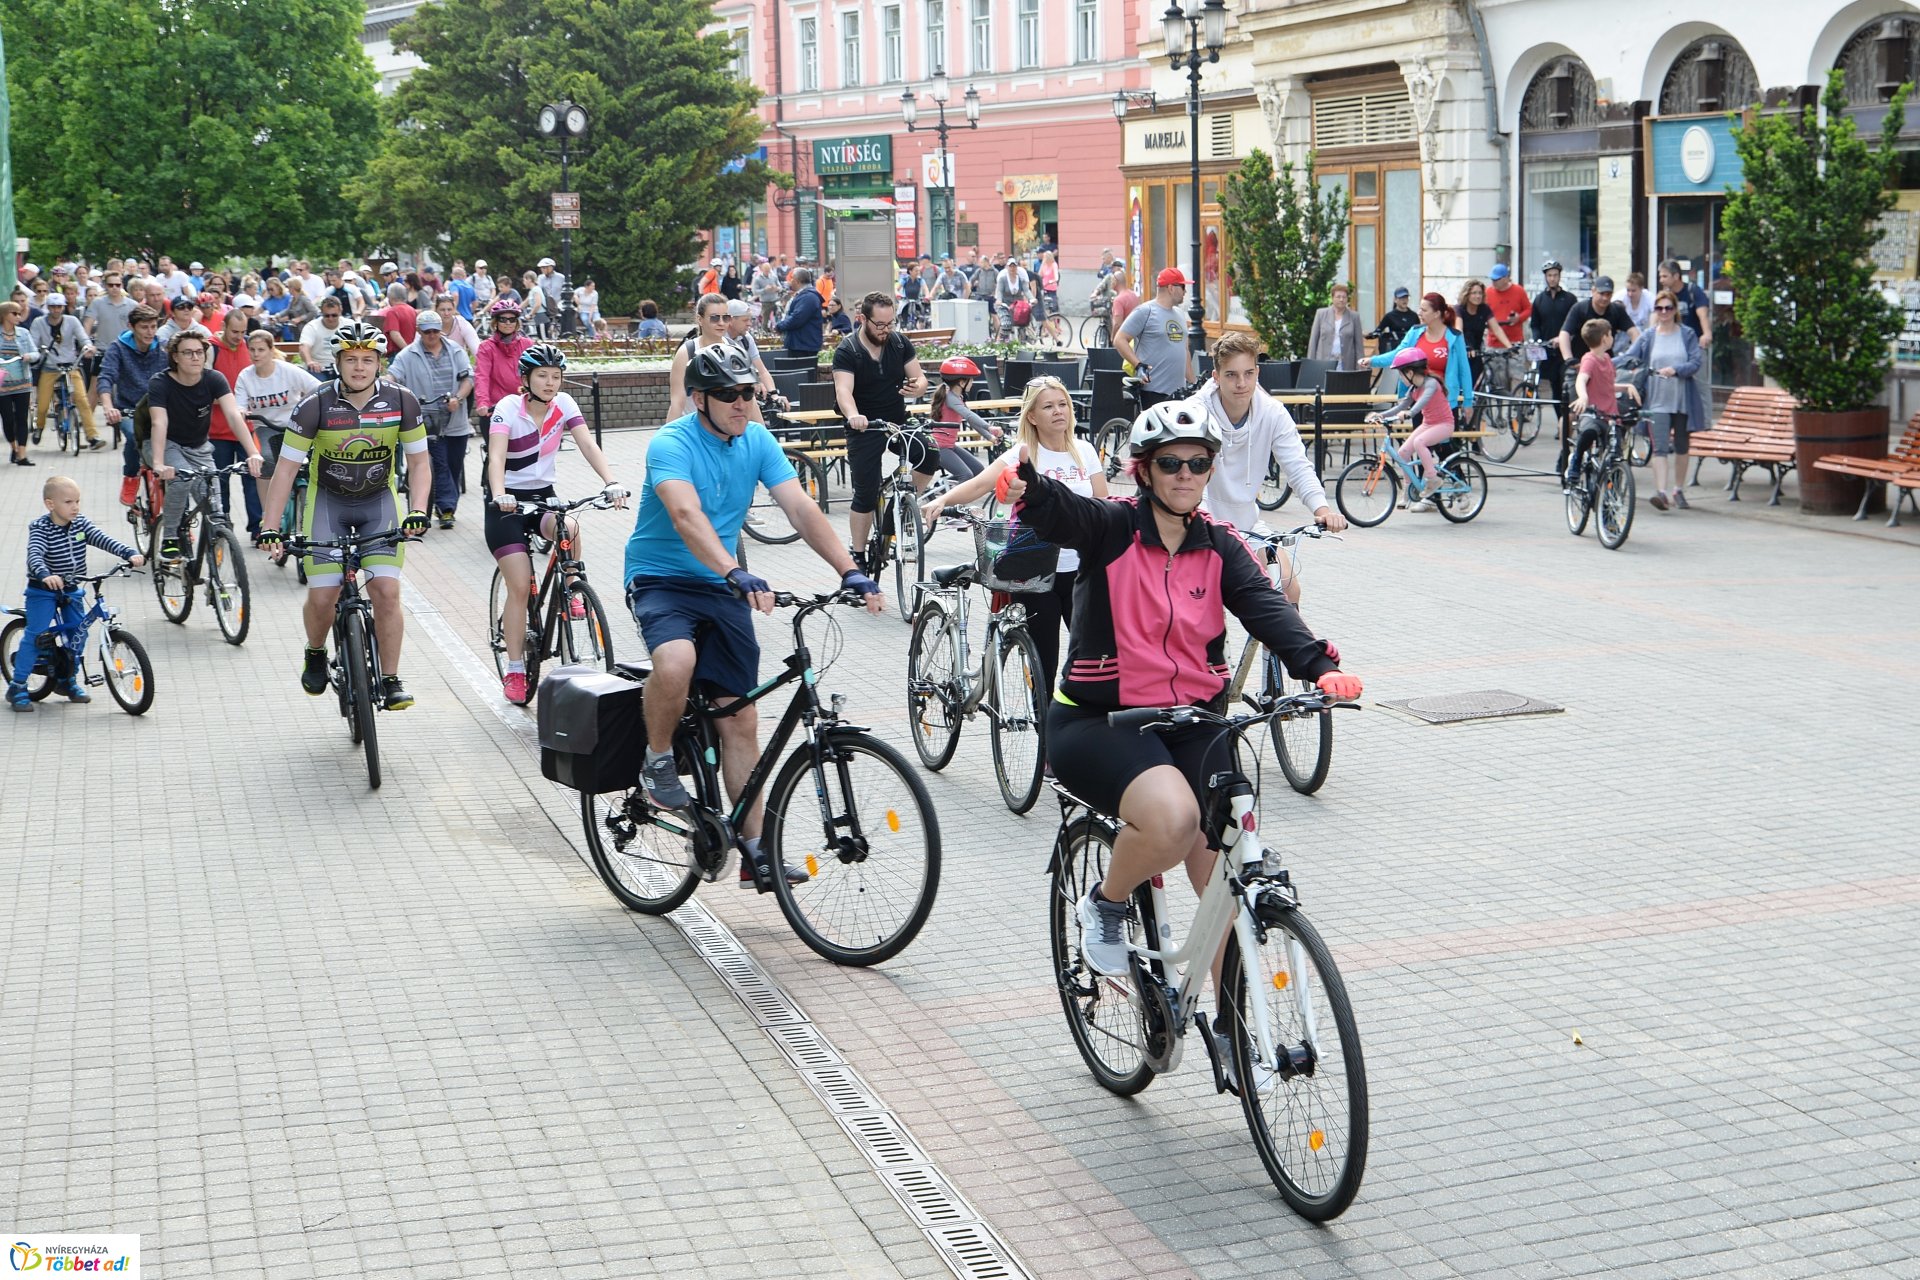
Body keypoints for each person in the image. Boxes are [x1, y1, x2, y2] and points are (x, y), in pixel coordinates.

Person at [999, 402, 1358, 986]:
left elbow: (1265, 606)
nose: (1185, 474)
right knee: (1175, 820)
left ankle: (1237, 1032)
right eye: (1170, 463)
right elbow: (1066, 512)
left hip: (1194, 720)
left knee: (1227, 876)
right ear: (1144, 470)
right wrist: (1032, 489)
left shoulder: (1219, 544)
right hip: (1100, 721)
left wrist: (1316, 665)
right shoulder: (1111, 527)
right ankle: (1108, 904)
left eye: (1198, 463)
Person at [622, 342, 884, 886]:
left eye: (747, 392)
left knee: (739, 718)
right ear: (700, 398)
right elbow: (685, 514)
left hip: (721, 582)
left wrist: (849, 569)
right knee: (675, 662)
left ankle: (755, 852)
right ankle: (658, 757)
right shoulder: (671, 443)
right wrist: (734, 571)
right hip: (662, 579)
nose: (742, 403)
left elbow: (801, 507)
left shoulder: (757, 439)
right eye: (728, 394)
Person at [257, 321, 431, 710]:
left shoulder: (402, 401)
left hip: (378, 504)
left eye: (367, 360)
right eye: (350, 359)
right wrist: (270, 528)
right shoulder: (316, 404)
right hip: (328, 506)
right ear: (336, 362)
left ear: (379, 363)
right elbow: (284, 470)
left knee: (386, 591)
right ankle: (316, 650)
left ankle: (390, 679)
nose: (359, 368)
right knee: (323, 594)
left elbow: (420, 463)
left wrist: (418, 509)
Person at [920, 375, 1102, 695]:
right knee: (1043, 663)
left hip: (1081, 569)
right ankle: (1045, 734)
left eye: (1063, 404)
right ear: (1032, 416)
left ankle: (1078, 725)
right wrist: (942, 499)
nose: (1059, 411)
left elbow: (1104, 504)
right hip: (1034, 570)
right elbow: (979, 485)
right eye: (1048, 406)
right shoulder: (1022, 454)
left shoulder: (1085, 451)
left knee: (1091, 658)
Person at [484, 344, 626, 704]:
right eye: (542, 376)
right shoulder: (506, 409)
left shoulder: (564, 405)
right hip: (508, 503)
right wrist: (500, 493)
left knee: (572, 529)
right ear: (526, 379)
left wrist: (611, 482)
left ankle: (573, 587)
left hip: (543, 495)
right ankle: (515, 668)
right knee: (519, 586)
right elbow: (497, 456)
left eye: (556, 377)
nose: (550, 383)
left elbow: (587, 445)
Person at [1193, 331, 1344, 560]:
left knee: (1286, 581)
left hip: (1248, 526)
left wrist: (1322, 510)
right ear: (1216, 376)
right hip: (1202, 525)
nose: (1241, 383)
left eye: (1248, 373)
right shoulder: (1195, 412)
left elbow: (1298, 467)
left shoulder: (1272, 413)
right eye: (1231, 375)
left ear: (1258, 373)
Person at [8, 476, 146, 711]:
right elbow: (35, 555)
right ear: (51, 504)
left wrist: (129, 553)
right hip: (43, 590)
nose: (75, 507)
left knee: (78, 633)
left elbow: (103, 539)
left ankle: (66, 680)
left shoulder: (81, 524)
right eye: (68, 502)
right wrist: (45, 574)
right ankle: (18, 685)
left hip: (72, 588)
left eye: (78, 501)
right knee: (37, 633)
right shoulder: (40, 528)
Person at [145, 331, 265, 560]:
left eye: (199, 352)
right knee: (181, 479)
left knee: (214, 504)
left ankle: (215, 553)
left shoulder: (214, 379)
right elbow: (159, 422)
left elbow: (233, 415)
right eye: (188, 352)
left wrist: (253, 453)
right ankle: (170, 535)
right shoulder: (161, 382)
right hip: (167, 444)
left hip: (200, 447)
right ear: (176, 357)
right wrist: (159, 463)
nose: (195, 357)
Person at [833, 292, 932, 566]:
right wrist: (854, 416)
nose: (886, 330)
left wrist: (917, 387)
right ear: (863, 319)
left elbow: (920, 377)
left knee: (930, 454)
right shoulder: (848, 349)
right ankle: (858, 553)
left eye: (891, 323)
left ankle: (902, 507)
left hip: (896, 421)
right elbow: (843, 391)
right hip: (865, 426)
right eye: (880, 325)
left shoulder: (899, 343)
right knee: (865, 492)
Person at [389, 311, 476, 530]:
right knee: (439, 462)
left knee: (454, 465)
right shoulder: (408, 355)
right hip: (425, 421)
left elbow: (468, 379)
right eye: (427, 331)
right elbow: (393, 376)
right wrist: (382, 383)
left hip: (455, 421)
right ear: (419, 331)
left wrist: (458, 397)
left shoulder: (456, 351)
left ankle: (445, 505)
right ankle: (446, 508)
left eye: (435, 331)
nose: (431, 335)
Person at [1621, 291, 1706, 512]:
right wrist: (1600, 361)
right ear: (1655, 311)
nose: (1664, 312)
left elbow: (1697, 362)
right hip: (1657, 401)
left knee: (1681, 446)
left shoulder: (1686, 334)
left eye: (1668, 308)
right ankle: (1661, 493)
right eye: (1660, 309)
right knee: (1659, 448)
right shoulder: (1649, 336)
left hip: (1682, 400)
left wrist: (1676, 370)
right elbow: (1630, 357)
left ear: (1676, 310)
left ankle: (1678, 489)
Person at [233, 329, 320, 536]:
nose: (256, 354)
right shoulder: (245, 377)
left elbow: (316, 388)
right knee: (267, 461)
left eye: (261, 350)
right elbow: (238, 406)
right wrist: (243, 411)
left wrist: (311, 407)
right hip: (266, 426)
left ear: (272, 350)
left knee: (316, 461)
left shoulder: (287, 370)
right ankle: (269, 515)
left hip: (295, 425)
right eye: (252, 350)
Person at [97, 305, 170, 501]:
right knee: (132, 435)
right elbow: (106, 377)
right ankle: (130, 476)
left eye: (154, 327)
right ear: (131, 326)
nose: (150, 332)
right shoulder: (118, 348)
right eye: (144, 327)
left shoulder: (163, 348)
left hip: (159, 407)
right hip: (129, 408)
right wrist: (108, 406)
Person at [1367, 349, 1455, 512]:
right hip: (1429, 424)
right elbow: (1401, 406)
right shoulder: (1413, 389)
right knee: (1403, 452)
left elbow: (1422, 402)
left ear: (1410, 372)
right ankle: (1408, 490)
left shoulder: (1431, 384)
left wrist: (1410, 413)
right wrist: (1380, 414)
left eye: (1401, 374)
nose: (1400, 378)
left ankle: (1432, 478)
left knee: (1420, 442)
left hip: (1444, 424)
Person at [1368, 292, 1473, 421]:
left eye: (1424, 310)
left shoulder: (1454, 337)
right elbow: (1397, 355)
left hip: (1445, 401)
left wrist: (1468, 401)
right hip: (1418, 401)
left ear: (1436, 314)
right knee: (1419, 440)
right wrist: (1372, 361)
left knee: (1443, 440)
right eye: (1419, 309)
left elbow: (1464, 371)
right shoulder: (1415, 332)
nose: (1419, 313)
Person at [1561, 317, 1638, 492]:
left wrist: (1626, 386)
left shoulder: (1607, 360)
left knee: (1615, 456)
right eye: (1611, 334)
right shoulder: (1589, 359)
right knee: (1588, 432)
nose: (1613, 337)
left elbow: (1607, 386)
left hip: (1611, 416)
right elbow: (1581, 379)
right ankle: (1576, 460)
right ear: (1605, 338)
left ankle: (1609, 501)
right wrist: (1583, 397)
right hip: (1593, 413)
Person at [29, 294, 103, 449]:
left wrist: (88, 347)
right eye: (53, 307)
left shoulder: (72, 321)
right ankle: (39, 427)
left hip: (70, 366)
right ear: (48, 308)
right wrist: (36, 352)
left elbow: (83, 338)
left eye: (59, 307)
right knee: (42, 405)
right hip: (50, 367)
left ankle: (92, 436)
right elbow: (33, 342)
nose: (56, 310)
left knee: (82, 400)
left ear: (63, 307)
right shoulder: (38, 322)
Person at [1115, 269, 1195, 405]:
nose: (1185, 291)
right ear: (1171, 288)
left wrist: (1193, 383)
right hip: (1153, 390)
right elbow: (1119, 340)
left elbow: (1184, 351)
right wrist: (1138, 365)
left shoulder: (1180, 314)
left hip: (1179, 392)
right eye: (1182, 287)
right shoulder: (1145, 311)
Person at [918, 355, 1003, 483]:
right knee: (966, 475)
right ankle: (955, 501)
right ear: (962, 382)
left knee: (978, 470)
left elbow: (970, 420)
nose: (972, 383)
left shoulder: (957, 397)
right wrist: (989, 427)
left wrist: (988, 436)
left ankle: (942, 485)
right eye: (971, 380)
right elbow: (969, 415)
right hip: (939, 447)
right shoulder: (950, 397)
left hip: (949, 445)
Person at [1529, 260, 1577, 438]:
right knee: (1555, 388)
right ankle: (1561, 422)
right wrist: (1537, 339)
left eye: (1555, 275)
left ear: (1559, 276)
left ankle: (1566, 423)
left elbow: (1575, 325)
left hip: (1565, 352)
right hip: (1548, 351)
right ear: (1545, 277)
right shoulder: (1540, 300)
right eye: (1549, 275)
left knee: (1566, 386)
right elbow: (1535, 324)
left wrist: (1564, 338)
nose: (1552, 278)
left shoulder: (1569, 299)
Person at [669, 294, 733, 420]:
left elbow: (750, 401)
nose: (721, 323)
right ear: (700, 319)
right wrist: (668, 435)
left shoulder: (734, 349)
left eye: (726, 318)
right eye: (714, 318)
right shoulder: (686, 352)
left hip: (727, 427)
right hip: (693, 428)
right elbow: (677, 402)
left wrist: (763, 436)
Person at [1556, 275, 1639, 363]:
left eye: (1608, 294)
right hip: (1581, 362)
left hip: (1605, 364)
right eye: (1601, 294)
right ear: (1593, 291)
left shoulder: (1617, 310)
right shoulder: (1580, 309)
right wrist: (1569, 359)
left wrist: (1634, 356)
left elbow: (1634, 332)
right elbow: (1564, 334)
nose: (1605, 298)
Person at [474, 298, 533, 420]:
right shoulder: (486, 347)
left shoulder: (527, 345)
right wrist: (482, 402)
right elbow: (482, 376)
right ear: (496, 322)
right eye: (503, 319)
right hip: (496, 409)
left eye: (512, 319)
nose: (508, 323)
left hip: (524, 406)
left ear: (517, 322)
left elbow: (535, 374)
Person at [0, 303, 40, 466]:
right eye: (14, 313)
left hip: (23, 382)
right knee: (8, 419)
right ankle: (14, 447)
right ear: (4, 315)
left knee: (22, 418)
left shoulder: (23, 333)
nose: (18, 316)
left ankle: (22, 455)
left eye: (19, 313)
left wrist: (29, 356)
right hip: (2, 384)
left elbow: (36, 353)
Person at [1306, 282, 1366, 372]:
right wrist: (1310, 364)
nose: (1341, 300)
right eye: (1338, 297)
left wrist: (1360, 367)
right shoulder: (1321, 314)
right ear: (1332, 298)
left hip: (1346, 364)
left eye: (1344, 297)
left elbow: (1359, 346)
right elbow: (1313, 340)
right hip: (1324, 362)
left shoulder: (1354, 317)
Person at [773, 268, 825, 360]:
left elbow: (797, 318)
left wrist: (780, 326)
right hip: (800, 344)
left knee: (802, 373)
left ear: (797, 281)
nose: (790, 281)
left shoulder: (808, 297)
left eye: (792, 278)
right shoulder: (807, 296)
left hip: (803, 346)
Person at [299, 294, 348, 382]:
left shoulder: (349, 325)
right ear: (321, 313)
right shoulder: (312, 327)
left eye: (334, 315)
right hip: (319, 368)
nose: (330, 318)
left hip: (343, 367)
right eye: (327, 315)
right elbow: (304, 347)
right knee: (318, 387)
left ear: (340, 311)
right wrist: (309, 362)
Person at [434, 293, 481, 362]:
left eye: (449, 309)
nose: (446, 313)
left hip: (460, 366)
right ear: (436, 310)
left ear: (454, 309)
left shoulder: (462, 324)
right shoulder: (431, 326)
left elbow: (477, 350)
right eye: (442, 310)